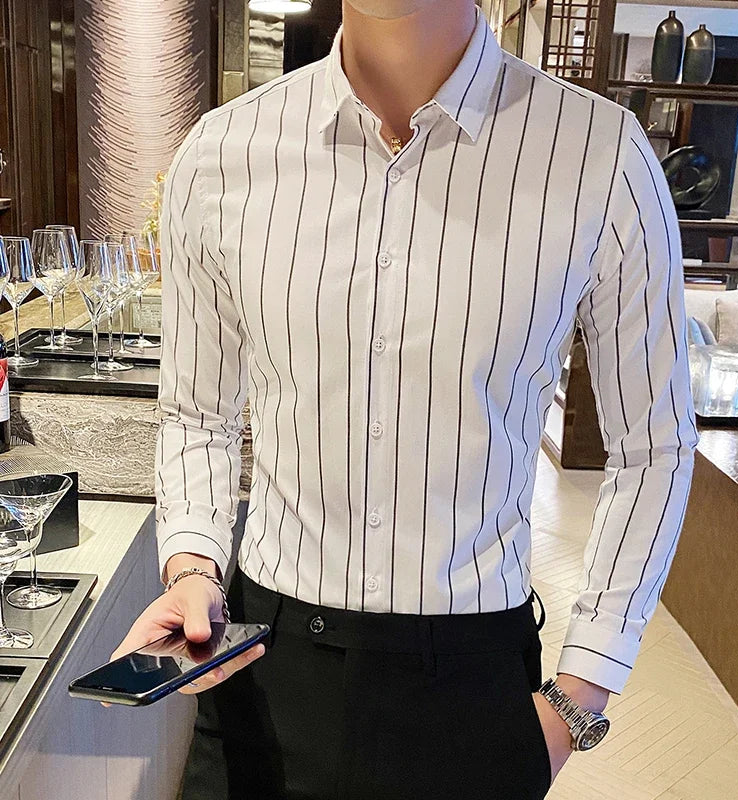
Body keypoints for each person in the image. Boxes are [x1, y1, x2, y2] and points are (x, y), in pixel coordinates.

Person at [112, 0, 700, 797]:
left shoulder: (599, 155)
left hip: (472, 691)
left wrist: (579, 697)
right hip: (265, 679)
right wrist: (193, 568)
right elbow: (198, 414)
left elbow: (655, 446)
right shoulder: (222, 154)